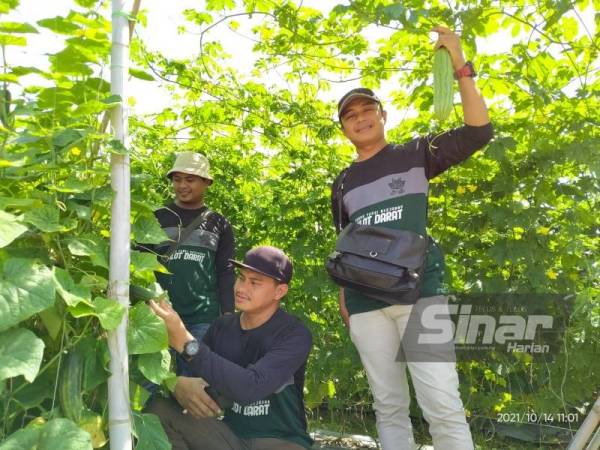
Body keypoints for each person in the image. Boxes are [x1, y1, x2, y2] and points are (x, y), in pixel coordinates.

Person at [330, 27, 493, 449]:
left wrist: (459, 61)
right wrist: (345, 300)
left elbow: (478, 131)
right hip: (366, 305)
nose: (361, 118)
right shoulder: (343, 182)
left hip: (420, 293)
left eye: (368, 110)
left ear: (383, 116)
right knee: (388, 406)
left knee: (442, 403)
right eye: (350, 115)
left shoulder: (415, 154)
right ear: (344, 128)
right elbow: (343, 243)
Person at [146, 246, 313, 450]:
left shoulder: (294, 334)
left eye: (254, 282)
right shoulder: (221, 326)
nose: (241, 288)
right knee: (158, 409)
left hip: (281, 441)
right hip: (229, 437)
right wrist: (176, 385)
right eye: (241, 278)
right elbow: (197, 382)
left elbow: (251, 387)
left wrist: (185, 343)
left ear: (280, 291)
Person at [140, 151, 235, 376]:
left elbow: (225, 272)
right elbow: (139, 264)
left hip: (202, 321)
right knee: (150, 382)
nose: (182, 185)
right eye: (177, 179)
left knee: (195, 382)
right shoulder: (156, 217)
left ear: (206, 182)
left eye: (190, 179)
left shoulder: (218, 223)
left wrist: (228, 314)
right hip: (158, 314)